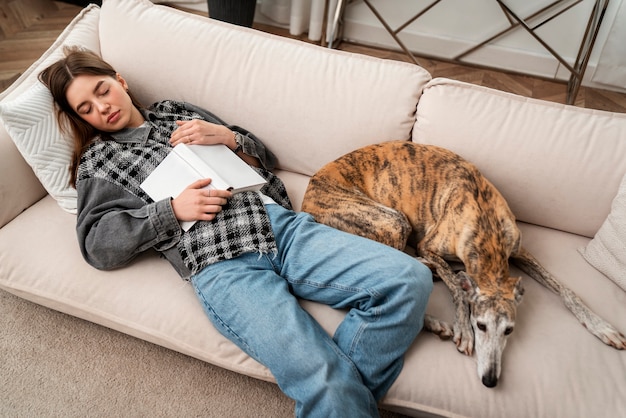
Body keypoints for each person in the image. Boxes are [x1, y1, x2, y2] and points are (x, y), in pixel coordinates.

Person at [39, 47, 433, 418]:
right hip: (221, 266)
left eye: (102, 90)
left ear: (120, 81)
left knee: (409, 278)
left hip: (282, 228)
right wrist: (171, 212)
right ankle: (337, 398)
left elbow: (266, 158)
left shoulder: (174, 111)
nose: (102, 107)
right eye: (86, 108)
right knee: (323, 377)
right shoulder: (99, 160)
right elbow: (96, 245)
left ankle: (340, 401)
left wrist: (230, 138)